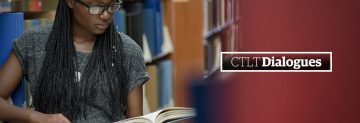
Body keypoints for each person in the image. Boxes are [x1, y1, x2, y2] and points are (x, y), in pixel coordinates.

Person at [0, 0, 149, 122]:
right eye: (97, 7)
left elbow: (135, 120)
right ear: (71, 2)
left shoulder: (128, 51)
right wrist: (36, 117)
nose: (106, 15)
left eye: (112, 6)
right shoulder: (33, 42)